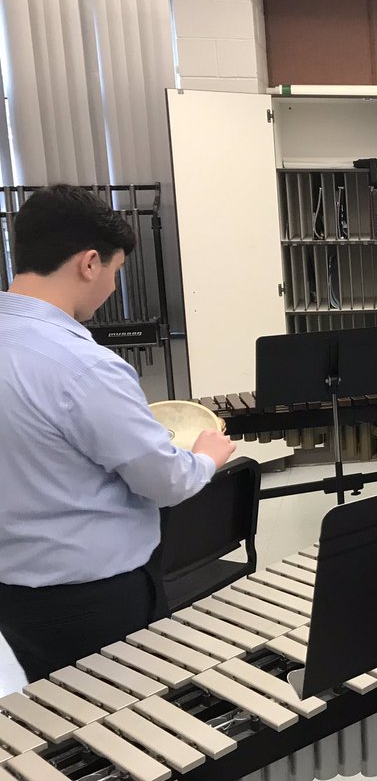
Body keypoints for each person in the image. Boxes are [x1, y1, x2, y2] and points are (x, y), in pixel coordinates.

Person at [0, 185, 235, 682]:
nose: (111, 287)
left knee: (57, 727)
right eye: (115, 271)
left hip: (14, 596)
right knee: (133, 737)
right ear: (89, 263)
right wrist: (206, 457)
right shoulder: (85, 368)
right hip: (96, 599)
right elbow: (164, 482)